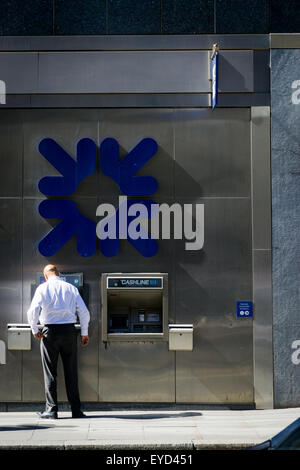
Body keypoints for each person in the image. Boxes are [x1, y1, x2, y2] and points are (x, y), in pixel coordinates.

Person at [27, 264, 90, 419]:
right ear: (58, 273)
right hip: (69, 331)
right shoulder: (71, 288)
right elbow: (84, 311)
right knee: (71, 372)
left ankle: (52, 410)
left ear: (46, 275)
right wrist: (84, 333)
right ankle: (76, 410)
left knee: (50, 372)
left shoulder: (42, 288)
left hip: (50, 332)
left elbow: (32, 311)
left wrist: (35, 330)